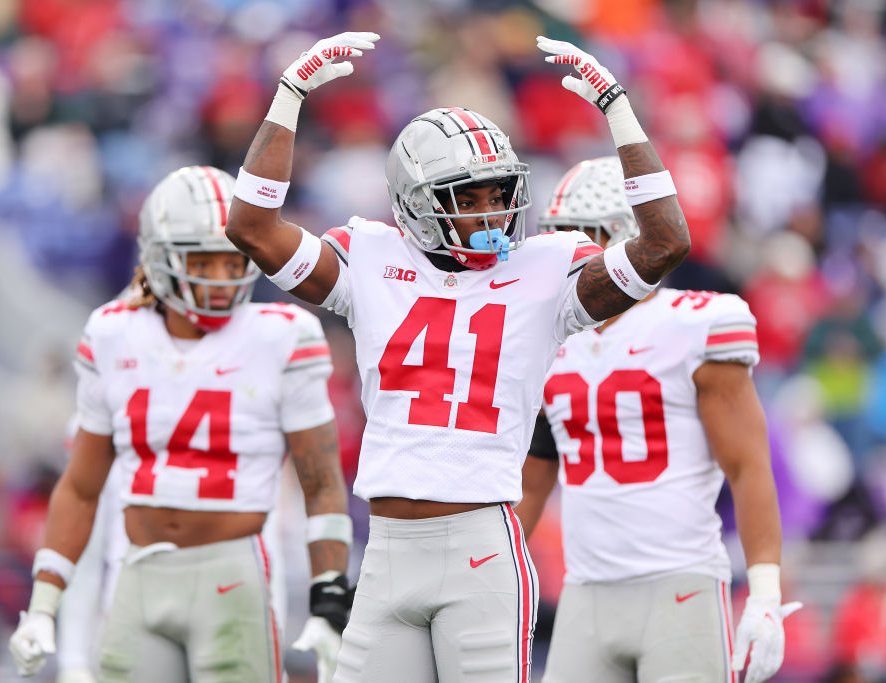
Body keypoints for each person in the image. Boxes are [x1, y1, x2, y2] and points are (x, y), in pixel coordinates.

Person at [225, 32, 691, 681]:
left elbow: (665, 242)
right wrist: (289, 96)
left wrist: (617, 109)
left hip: (480, 548)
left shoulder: (545, 268)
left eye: (498, 193)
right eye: (465, 199)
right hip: (385, 551)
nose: (491, 212)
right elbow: (250, 225)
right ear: (414, 203)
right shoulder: (372, 257)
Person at [7, 165, 352, 682]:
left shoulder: (283, 335)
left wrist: (329, 594)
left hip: (232, 574)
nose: (219, 279)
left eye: (231, 260)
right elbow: (81, 487)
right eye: (202, 261)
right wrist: (42, 602)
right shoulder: (113, 332)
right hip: (139, 574)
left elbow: (322, 480)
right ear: (159, 258)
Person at [515, 156, 800, 683]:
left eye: (579, 235)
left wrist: (764, 594)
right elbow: (532, 480)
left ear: (625, 237)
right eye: (554, 236)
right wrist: (490, 575)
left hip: (679, 586)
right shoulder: (549, 338)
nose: (563, 252)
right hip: (585, 590)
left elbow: (747, 466)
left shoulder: (695, 325)